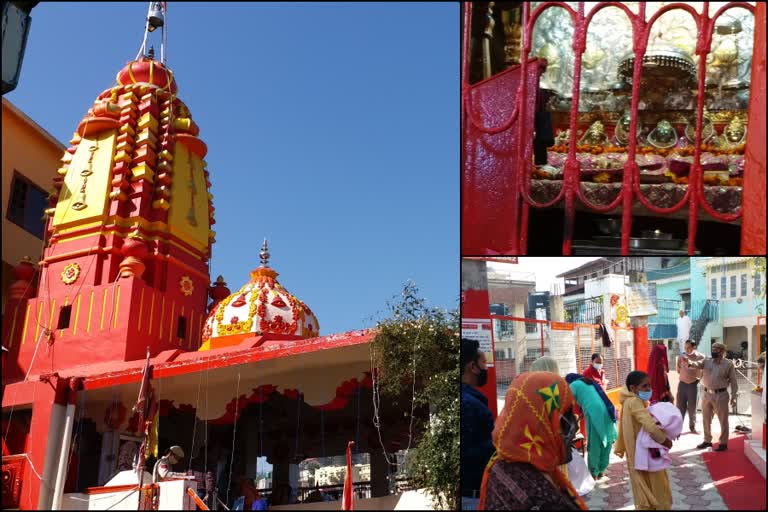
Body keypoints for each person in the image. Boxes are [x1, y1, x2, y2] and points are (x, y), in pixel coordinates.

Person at [478, 372, 587, 510]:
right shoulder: (543, 499)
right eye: (567, 415)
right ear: (542, 422)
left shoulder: (499, 463)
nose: (576, 426)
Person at [614, 371, 675, 510]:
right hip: (644, 452)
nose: (649, 389)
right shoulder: (634, 402)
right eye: (644, 386)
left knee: (644, 486)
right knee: (656, 485)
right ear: (633, 388)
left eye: (649, 385)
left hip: (638, 451)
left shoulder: (629, 401)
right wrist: (664, 440)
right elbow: (648, 424)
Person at [682, 341, 738, 451]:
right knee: (706, 419)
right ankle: (707, 440)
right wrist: (688, 361)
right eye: (713, 348)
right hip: (707, 394)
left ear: (722, 351)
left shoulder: (728, 364)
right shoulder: (707, 360)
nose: (714, 351)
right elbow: (697, 364)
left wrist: (734, 396)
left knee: (723, 420)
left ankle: (723, 443)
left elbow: (733, 381)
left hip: (721, 395)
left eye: (716, 349)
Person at [461, 338, 495, 510]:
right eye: (484, 362)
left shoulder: (473, 400)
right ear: (472, 367)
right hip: (472, 496)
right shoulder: (468, 404)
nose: (486, 367)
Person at [565, 373, 618, 480]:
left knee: (594, 443)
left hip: (594, 412)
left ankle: (593, 473)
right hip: (607, 411)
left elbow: (566, 400)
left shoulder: (574, 384)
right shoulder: (588, 382)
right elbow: (589, 398)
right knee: (606, 440)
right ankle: (601, 470)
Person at [676, 340, 704, 433]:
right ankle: (678, 428)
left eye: (689, 347)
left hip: (693, 385)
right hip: (682, 385)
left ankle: (692, 427)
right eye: (685, 347)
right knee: (680, 407)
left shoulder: (700, 357)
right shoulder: (681, 356)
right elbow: (678, 369)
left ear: (694, 347)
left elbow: (702, 370)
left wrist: (697, 379)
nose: (687, 350)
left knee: (692, 408)